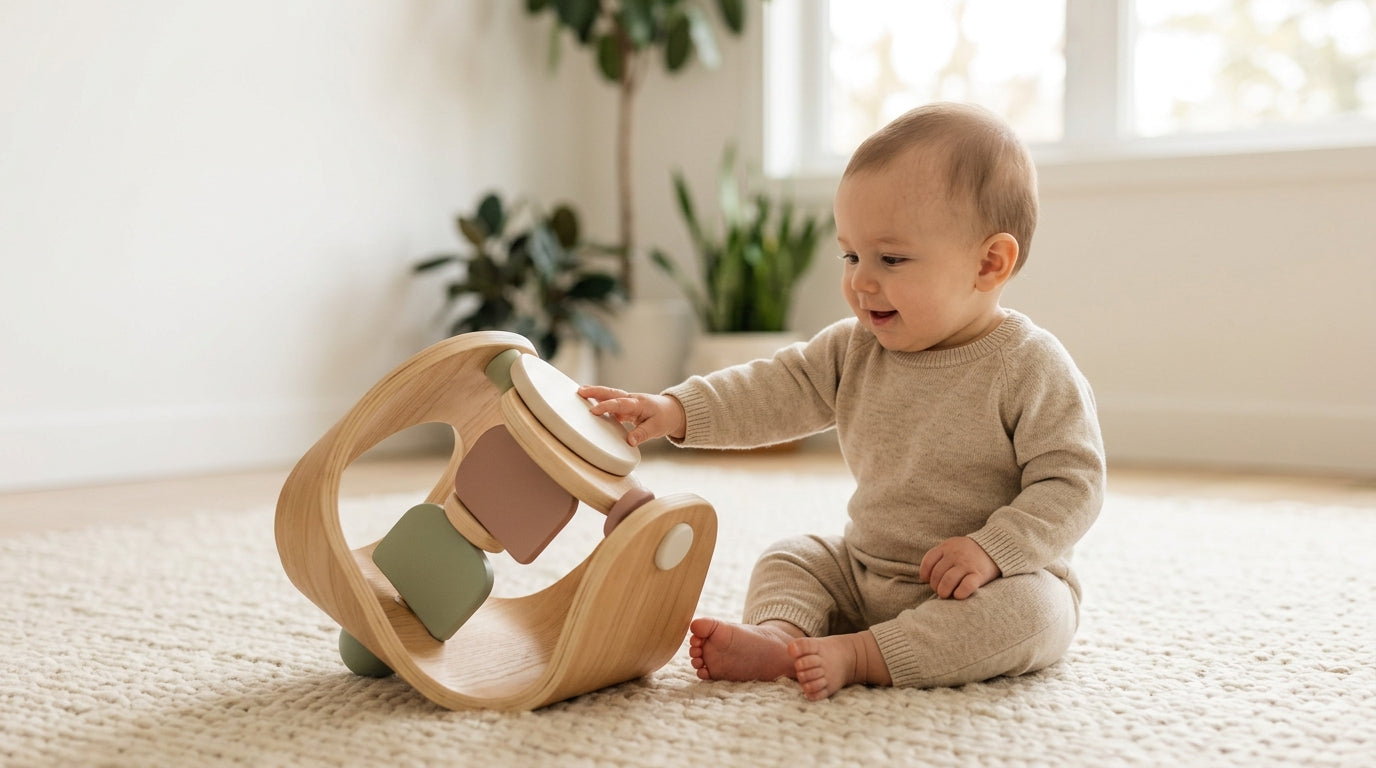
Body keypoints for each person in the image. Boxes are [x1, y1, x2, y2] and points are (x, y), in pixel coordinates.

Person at [578, 102, 1105, 701]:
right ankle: (782, 636)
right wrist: (677, 410)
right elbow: (773, 387)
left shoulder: (1030, 365)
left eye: (892, 258)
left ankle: (862, 653)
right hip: (864, 571)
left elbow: (1074, 480)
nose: (860, 281)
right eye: (850, 255)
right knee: (794, 555)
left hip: (985, 584)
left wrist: (993, 550)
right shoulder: (857, 348)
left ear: (989, 264)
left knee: (1037, 613)